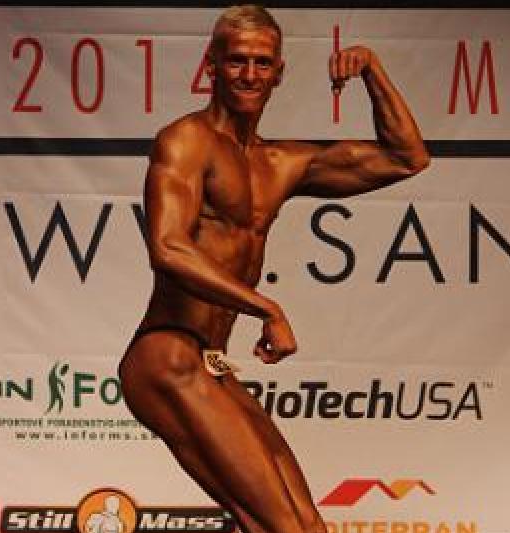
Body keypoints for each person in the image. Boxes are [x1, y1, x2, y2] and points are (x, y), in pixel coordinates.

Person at [118, 5, 429, 533]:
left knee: (306, 526)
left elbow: (408, 157)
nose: (249, 74)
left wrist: (372, 70)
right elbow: (168, 246)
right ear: (211, 66)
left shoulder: (281, 163)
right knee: (284, 526)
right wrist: (267, 308)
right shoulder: (187, 140)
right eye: (236, 61)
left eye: (262, 63)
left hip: (210, 363)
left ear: (279, 73)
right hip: (167, 355)